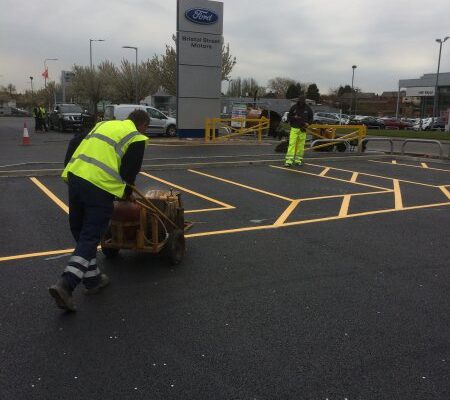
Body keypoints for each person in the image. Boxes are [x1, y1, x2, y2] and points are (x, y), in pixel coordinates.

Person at [49, 110, 150, 312]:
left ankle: (93, 279)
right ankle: (66, 285)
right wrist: (126, 193)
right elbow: (129, 172)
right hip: (100, 187)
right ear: (143, 125)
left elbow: (74, 143)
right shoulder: (136, 138)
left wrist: (73, 171)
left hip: (75, 178)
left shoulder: (104, 125)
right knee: (90, 236)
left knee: (79, 231)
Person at [284, 96, 313, 167]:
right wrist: (294, 117)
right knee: (292, 144)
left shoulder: (308, 108)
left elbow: (311, 118)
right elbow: (288, 118)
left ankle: (298, 160)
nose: (302, 102)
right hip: (294, 128)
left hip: (303, 129)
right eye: (301, 101)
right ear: (298, 101)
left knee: (301, 146)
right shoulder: (294, 108)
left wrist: (308, 123)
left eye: (303, 101)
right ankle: (289, 161)